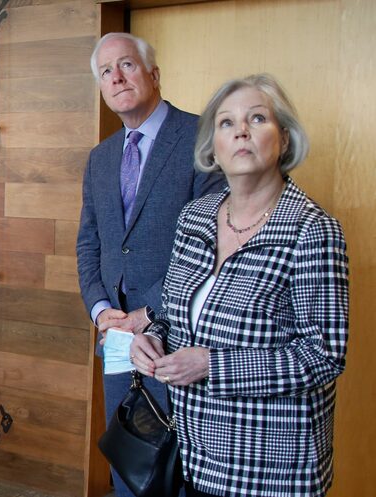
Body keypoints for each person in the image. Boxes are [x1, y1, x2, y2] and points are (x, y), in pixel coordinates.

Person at [130, 74, 348, 497]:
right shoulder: (194, 217)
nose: (241, 131)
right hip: (196, 457)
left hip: (273, 470)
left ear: (283, 139)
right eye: (226, 123)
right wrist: (151, 338)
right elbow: (174, 313)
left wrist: (213, 365)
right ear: (214, 146)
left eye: (257, 118)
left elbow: (324, 356)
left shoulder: (312, 231)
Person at [76, 33, 224, 497]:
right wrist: (101, 310)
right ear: (101, 88)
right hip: (117, 340)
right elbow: (89, 244)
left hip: (180, 339)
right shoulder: (100, 158)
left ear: (154, 74)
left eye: (127, 65)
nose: (117, 78)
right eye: (106, 72)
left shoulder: (202, 139)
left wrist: (150, 312)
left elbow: (214, 247)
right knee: (131, 467)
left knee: (180, 477)